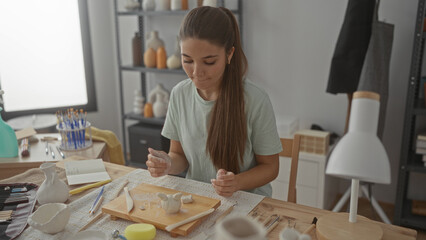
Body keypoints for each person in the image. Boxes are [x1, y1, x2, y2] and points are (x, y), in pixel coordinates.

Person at [146, 6, 282, 197]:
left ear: (229, 54)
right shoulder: (179, 94)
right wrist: (167, 164)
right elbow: (180, 156)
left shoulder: (254, 100)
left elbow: (270, 167)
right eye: (187, 60)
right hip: (198, 199)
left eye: (209, 62)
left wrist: (237, 182)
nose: (196, 72)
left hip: (247, 203)